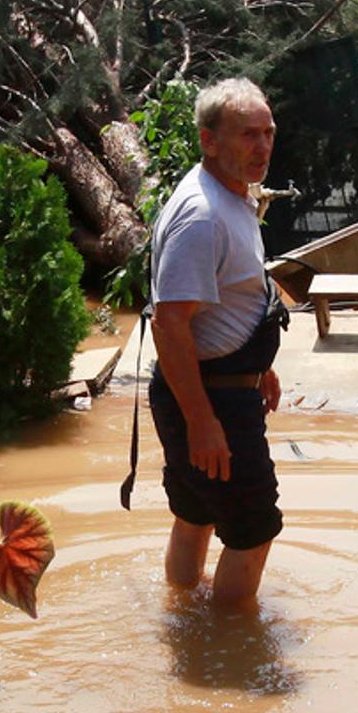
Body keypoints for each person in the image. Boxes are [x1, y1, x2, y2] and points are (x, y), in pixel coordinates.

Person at [148, 78, 285, 606]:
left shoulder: (229, 196)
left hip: (218, 387)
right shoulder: (201, 216)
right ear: (209, 140)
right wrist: (202, 421)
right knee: (253, 533)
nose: (263, 147)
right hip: (209, 402)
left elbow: (227, 298)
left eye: (268, 133)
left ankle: (182, 613)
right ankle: (229, 657)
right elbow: (170, 324)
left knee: (195, 513)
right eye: (248, 135)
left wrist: (259, 365)